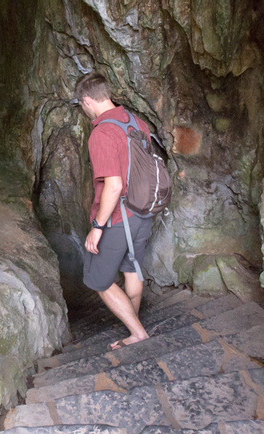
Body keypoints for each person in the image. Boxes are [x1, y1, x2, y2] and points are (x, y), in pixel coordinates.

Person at [75, 71, 153, 351]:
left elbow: (114, 185)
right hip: (144, 211)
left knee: (98, 280)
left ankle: (138, 333)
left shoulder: (102, 133)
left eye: (80, 104)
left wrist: (97, 227)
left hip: (119, 217)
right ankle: (132, 327)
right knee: (132, 269)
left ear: (86, 101)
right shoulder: (137, 122)